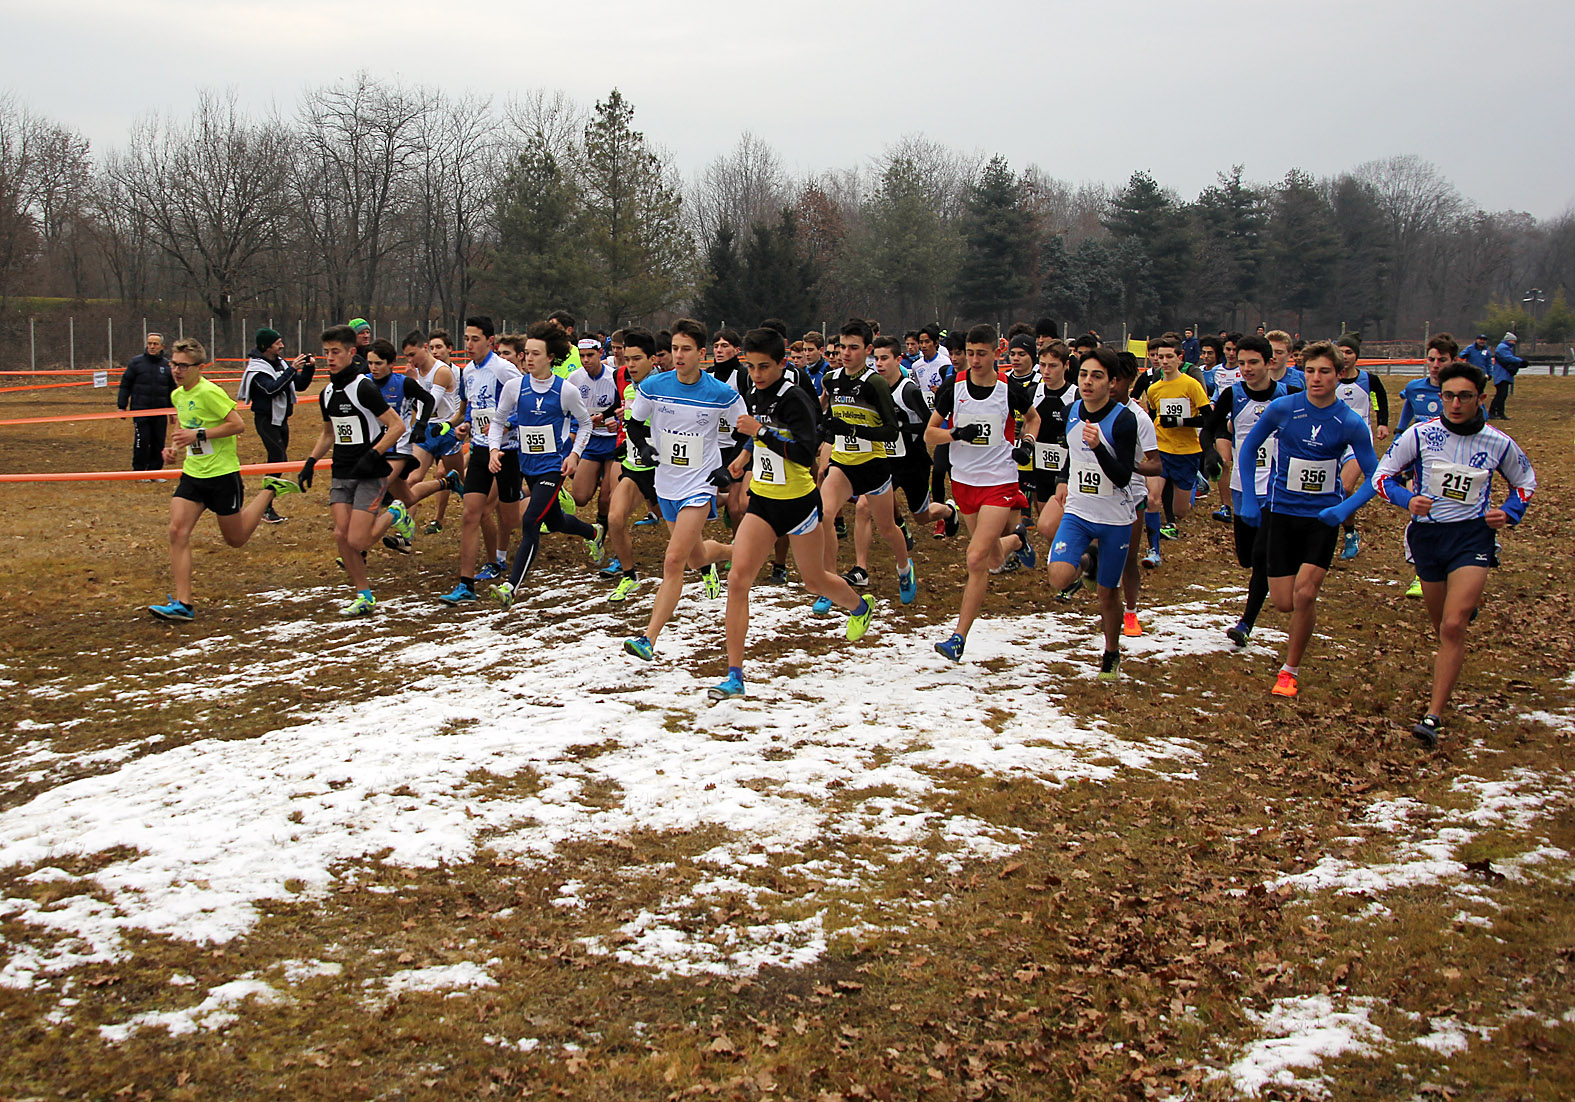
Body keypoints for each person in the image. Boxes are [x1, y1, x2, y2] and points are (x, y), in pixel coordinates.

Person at [1333, 361, 1535, 747]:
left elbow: (1524, 481)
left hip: (1472, 538)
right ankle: (1458, 619)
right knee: (1442, 623)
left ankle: (1433, 715)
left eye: (1465, 397)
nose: (1456, 404)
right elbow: (1382, 476)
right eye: (1448, 396)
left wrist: (1508, 513)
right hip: (1427, 538)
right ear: (1440, 396)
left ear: (1481, 398)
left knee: (1454, 625)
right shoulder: (1421, 435)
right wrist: (1409, 500)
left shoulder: (1498, 442)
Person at [710, 329, 874, 699]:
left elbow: (804, 452)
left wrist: (762, 432)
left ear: (782, 363)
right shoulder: (753, 393)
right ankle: (734, 674)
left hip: (799, 504)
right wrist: (739, 463)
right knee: (739, 580)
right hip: (764, 501)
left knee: (815, 580)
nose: (756, 374)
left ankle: (860, 606)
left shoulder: (796, 398)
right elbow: (755, 439)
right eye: (750, 367)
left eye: (764, 367)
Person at [1237, 341, 1380, 698]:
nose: (1317, 379)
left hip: (1321, 519)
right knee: (1284, 601)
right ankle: (1295, 635)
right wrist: (1252, 502)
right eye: (1311, 371)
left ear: (1339, 375)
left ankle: (1290, 670)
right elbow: (1249, 447)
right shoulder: (1284, 408)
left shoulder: (1350, 422)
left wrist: (1344, 510)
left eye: (1325, 372)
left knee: (1305, 594)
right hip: (1282, 514)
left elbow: (1376, 478)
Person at [147, 339, 300, 621]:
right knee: (177, 532)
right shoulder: (178, 395)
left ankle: (269, 490)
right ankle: (184, 604)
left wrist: (199, 435)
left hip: (222, 475)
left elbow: (237, 425)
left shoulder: (210, 392)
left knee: (236, 539)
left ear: (199, 368)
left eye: (183, 365)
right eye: (174, 364)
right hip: (193, 474)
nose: (176, 370)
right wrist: (173, 448)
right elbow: (183, 426)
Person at [621, 318, 743, 661]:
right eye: (674, 349)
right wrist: (643, 446)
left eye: (686, 349)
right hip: (667, 484)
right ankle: (739, 551)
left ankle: (648, 638)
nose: (678, 355)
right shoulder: (654, 386)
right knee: (696, 558)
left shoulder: (720, 393)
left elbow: (745, 430)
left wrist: (727, 466)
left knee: (673, 561)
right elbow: (634, 424)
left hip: (699, 486)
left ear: (701, 354)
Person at [925, 323, 1038, 661]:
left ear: (996, 354)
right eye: (970, 353)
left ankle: (958, 638)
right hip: (964, 481)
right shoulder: (953, 387)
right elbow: (930, 434)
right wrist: (956, 434)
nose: (974, 360)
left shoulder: (1008, 389)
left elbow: (1033, 419)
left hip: (1000, 480)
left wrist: (1027, 443)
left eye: (981, 354)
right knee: (991, 558)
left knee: (975, 558)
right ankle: (1018, 540)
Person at [487, 321, 604, 609]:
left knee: (531, 522)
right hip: (527, 465)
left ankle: (511, 587)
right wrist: (493, 449)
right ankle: (594, 533)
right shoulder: (515, 388)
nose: (528, 358)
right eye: (526, 353)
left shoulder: (565, 391)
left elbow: (585, 423)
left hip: (553, 467)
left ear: (550, 356)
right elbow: (498, 420)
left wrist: (574, 454)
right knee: (556, 520)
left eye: (535, 353)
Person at [295, 325, 407, 616]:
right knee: (342, 537)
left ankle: (396, 512)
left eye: (336, 352)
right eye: (326, 353)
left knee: (358, 540)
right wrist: (310, 461)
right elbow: (328, 433)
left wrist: (373, 454)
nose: (329, 358)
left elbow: (397, 426)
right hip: (341, 472)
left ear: (351, 353)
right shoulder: (328, 392)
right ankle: (364, 594)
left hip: (369, 472)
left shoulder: (363, 387)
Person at [1044, 347, 1140, 680]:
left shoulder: (1124, 420)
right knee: (1058, 576)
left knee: (1107, 593)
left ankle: (1111, 652)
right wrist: (1060, 480)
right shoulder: (1072, 410)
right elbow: (1072, 453)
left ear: (1112, 382)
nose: (1088, 382)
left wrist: (1099, 446)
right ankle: (1088, 561)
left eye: (1097, 376)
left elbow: (1123, 476)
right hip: (1078, 511)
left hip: (1114, 518)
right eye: (1084, 374)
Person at [815, 319, 917, 610]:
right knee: (825, 516)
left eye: (854, 348)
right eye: (842, 347)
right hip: (843, 463)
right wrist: (825, 429)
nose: (846, 353)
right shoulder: (831, 380)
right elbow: (829, 415)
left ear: (868, 350)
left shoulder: (875, 384)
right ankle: (830, 583)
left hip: (873, 465)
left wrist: (854, 431)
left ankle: (904, 569)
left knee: (886, 528)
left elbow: (891, 431)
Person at [1203, 335, 1287, 647]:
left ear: (1269, 363)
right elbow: (1209, 427)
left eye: (1254, 362)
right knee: (1246, 557)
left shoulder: (1286, 395)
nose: (1247, 369)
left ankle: (1245, 623)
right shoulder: (1233, 394)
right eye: (1242, 363)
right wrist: (1211, 452)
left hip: (1277, 487)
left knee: (1263, 556)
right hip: (1242, 484)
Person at [435, 317, 522, 605]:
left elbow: (528, 405)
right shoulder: (468, 371)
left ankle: (552, 510)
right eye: (466, 339)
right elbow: (473, 407)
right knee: (471, 514)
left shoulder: (504, 369)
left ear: (490, 341)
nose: (469, 344)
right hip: (481, 450)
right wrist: (466, 425)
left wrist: (506, 425)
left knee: (512, 519)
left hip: (509, 451)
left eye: (475, 339)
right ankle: (466, 584)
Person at [601, 327, 664, 601]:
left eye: (637, 358)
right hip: (635, 467)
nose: (631, 365)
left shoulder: (666, 387)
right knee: (615, 519)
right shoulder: (628, 388)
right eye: (627, 358)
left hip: (664, 470)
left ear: (653, 359)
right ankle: (629, 575)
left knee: (678, 527)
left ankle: (706, 564)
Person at [236, 327, 315, 523]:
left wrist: (308, 368)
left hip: (281, 418)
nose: (282, 345)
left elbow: (299, 385)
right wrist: (291, 369)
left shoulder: (279, 363)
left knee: (279, 461)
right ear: (266, 347)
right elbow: (271, 390)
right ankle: (265, 506)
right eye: (277, 342)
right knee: (278, 458)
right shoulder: (257, 370)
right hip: (266, 419)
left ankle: (266, 505)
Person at [1144, 334, 1212, 543]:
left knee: (1181, 509)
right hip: (1161, 448)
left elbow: (1207, 418)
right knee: (1153, 497)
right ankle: (1158, 537)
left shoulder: (1191, 385)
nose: (1164, 361)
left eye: (1169, 357)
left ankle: (1193, 485)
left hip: (1187, 450)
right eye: (1160, 357)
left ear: (1179, 358)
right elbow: (1154, 417)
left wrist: (1181, 422)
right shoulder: (1154, 389)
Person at [1332, 334, 1389, 560]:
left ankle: (1349, 533)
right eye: (1341, 352)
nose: (1345, 357)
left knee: (1345, 488)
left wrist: (1382, 422)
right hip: (1331, 440)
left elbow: (1379, 398)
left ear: (1357, 355)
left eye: (1349, 352)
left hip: (1357, 442)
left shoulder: (1369, 380)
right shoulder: (1330, 379)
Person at [567, 336, 623, 528]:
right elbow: (568, 412)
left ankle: (601, 531)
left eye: (590, 355)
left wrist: (615, 421)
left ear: (600, 353)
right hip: (590, 441)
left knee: (606, 498)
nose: (585, 360)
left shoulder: (614, 376)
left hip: (613, 442)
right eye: (582, 356)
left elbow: (622, 406)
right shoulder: (574, 379)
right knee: (580, 497)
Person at [118, 332, 175, 473]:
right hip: (140, 409)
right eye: (149, 343)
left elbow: (172, 390)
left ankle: (155, 471)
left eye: (155, 344)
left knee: (158, 442)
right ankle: (139, 470)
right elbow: (125, 384)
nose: (152, 346)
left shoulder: (167, 365)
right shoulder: (136, 363)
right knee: (142, 441)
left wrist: (173, 410)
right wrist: (122, 406)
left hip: (160, 411)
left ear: (162, 346)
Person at [423, 330, 461, 534]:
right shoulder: (426, 372)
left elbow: (462, 403)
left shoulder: (459, 373)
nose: (435, 351)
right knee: (434, 474)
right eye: (432, 348)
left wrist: (457, 424)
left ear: (450, 349)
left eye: (439, 347)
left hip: (453, 430)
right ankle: (438, 519)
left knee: (443, 472)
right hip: (432, 430)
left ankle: (480, 506)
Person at [1489, 331, 1524, 420]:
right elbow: (1508, 358)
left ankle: (1499, 412)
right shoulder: (1503, 348)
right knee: (1501, 394)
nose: (1514, 343)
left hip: (1503, 374)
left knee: (1502, 394)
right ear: (1509, 340)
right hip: (1502, 375)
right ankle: (1493, 412)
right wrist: (1520, 361)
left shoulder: (1503, 347)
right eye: (1514, 341)